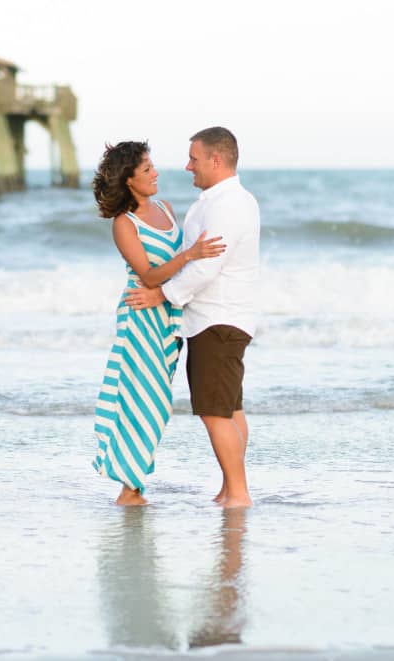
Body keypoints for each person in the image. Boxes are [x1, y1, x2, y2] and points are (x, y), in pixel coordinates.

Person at [124, 126, 260, 508]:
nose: (187, 167)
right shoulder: (218, 201)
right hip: (221, 318)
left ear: (216, 160)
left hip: (216, 320)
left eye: (194, 159)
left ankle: (238, 492)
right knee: (230, 409)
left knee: (215, 413)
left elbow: (206, 269)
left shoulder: (227, 205)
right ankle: (230, 487)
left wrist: (160, 295)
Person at [91, 141, 226, 506]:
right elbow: (150, 276)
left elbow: (177, 274)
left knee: (158, 402)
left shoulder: (165, 209)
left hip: (168, 318)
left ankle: (133, 487)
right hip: (141, 319)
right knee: (143, 400)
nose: (156, 174)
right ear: (129, 179)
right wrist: (191, 253)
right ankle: (129, 488)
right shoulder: (124, 224)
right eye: (147, 169)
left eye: (153, 166)